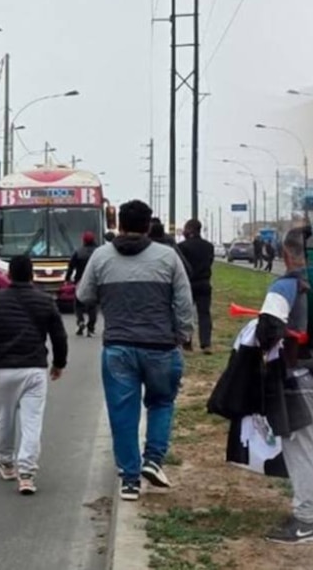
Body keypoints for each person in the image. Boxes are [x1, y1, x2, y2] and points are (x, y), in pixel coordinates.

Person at [76, 200, 195, 502]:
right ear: (147, 226)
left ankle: (130, 480)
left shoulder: (102, 256)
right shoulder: (168, 257)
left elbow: (84, 294)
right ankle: (153, 460)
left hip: (118, 347)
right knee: (161, 403)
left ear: (119, 225)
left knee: (122, 413)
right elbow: (183, 302)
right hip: (161, 347)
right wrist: (183, 334)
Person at [264, 229, 313, 545]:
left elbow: (268, 328)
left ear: (286, 254)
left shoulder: (285, 285)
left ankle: (305, 521)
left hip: (299, 379)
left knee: (303, 449)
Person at [0, 255, 68, 496]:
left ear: (9, 275)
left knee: (5, 417)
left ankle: (5, 462)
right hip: (34, 369)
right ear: (32, 274)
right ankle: (27, 474)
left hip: (3, 369)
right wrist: (58, 363)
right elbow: (59, 336)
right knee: (32, 421)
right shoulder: (45, 301)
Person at [177, 219, 216, 354]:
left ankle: (187, 342)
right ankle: (206, 344)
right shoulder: (209, 246)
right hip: (204, 283)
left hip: (188, 283)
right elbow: (210, 262)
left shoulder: (182, 247)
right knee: (204, 314)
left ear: (190, 229)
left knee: (186, 313)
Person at [65, 231, 100, 337]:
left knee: (78, 304)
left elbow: (71, 267)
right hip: (94, 281)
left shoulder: (78, 252)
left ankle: (80, 321)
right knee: (92, 306)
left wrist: (67, 279)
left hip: (80, 281)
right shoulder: (98, 252)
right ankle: (91, 328)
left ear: (83, 240)